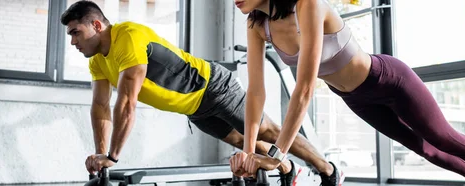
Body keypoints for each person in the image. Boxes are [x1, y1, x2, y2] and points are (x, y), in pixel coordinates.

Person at [229, 0, 465, 186]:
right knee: (422, 148)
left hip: (389, 80)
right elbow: (256, 93)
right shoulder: (257, 25)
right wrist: (249, 153)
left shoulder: (308, 5)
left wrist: (277, 154)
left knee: (442, 137)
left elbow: (305, 88)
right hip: (356, 98)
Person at [59, 1, 342, 186]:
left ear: (96, 25)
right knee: (246, 142)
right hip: (195, 109)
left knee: (267, 132)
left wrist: (113, 156)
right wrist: (100, 153)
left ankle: (328, 171)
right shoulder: (98, 61)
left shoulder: (128, 36)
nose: (72, 41)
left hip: (213, 87)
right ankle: (286, 168)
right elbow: (101, 107)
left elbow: (126, 104)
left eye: (75, 33)